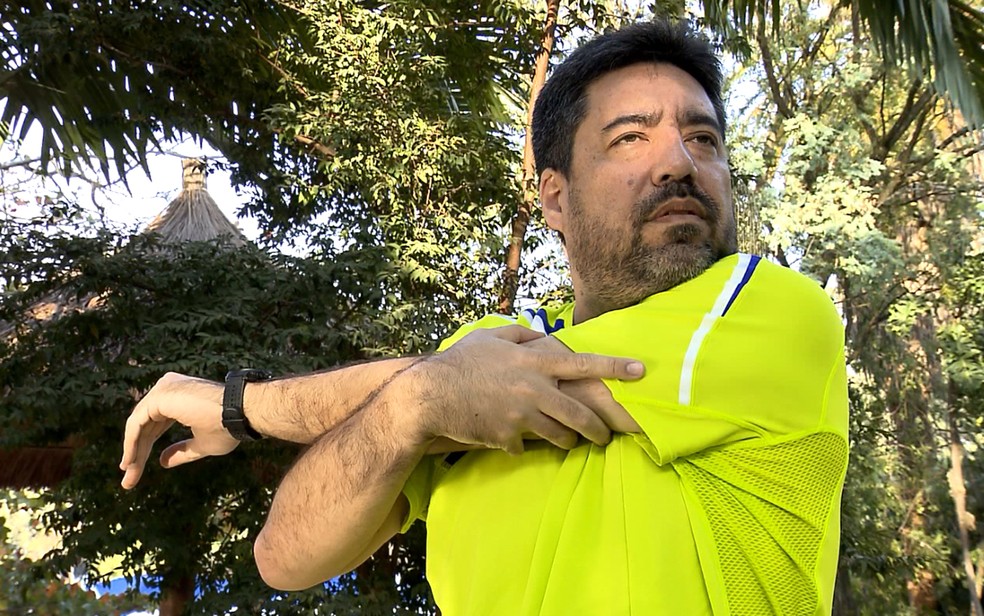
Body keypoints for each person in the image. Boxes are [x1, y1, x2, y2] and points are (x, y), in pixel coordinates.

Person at [121, 19, 849, 615]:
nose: (678, 162)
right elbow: (285, 557)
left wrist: (242, 405)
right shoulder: (476, 352)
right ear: (554, 199)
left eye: (705, 139)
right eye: (631, 137)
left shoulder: (773, 314)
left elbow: (494, 387)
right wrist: (408, 407)